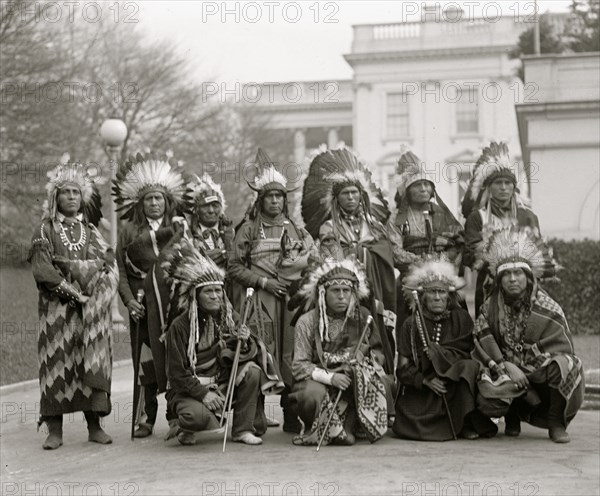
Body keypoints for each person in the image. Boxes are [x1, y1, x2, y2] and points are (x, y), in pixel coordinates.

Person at [29, 157, 118, 449]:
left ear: (83, 198)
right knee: (58, 363)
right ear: (55, 197)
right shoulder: (45, 230)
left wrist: (93, 292)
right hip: (57, 313)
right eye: (65, 192)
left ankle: (95, 425)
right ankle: (54, 430)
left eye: (76, 192)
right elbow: (44, 270)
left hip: (90, 312)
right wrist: (73, 290)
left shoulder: (91, 232)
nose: (71, 197)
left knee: (89, 361)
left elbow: (106, 264)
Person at [162, 238, 284, 445]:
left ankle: (241, 430)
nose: (215, 296)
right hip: (190, 389)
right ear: (195, 295)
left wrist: (245, 342)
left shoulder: (229, 316)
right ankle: (186, 425)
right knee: (196, 417)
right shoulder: (180, 326)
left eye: (218, 290)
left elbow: (247, 351)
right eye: (208, 291)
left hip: (222, 382)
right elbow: (176, 374)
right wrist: (203, 394)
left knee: (252, 371)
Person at [302, 144, 407, 375]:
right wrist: (355, 253)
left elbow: (387, 251)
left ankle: (381, 374)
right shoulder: (329, 226)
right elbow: (329, 256)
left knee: (379, 330)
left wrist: (365, 251)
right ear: (337, 199)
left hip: (376, 289)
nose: (351, 197)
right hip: (346, 291)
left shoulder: (375, 225)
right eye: (345, 194)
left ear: (362, 196)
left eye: (354, 193)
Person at [228, 148, 314, 433]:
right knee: (260, 353)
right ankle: (257, 415)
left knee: (290, 354)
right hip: (259, 303)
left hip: (290, 304)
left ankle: (292, 415)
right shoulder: (249, 229)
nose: (275, 201)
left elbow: (312, 263)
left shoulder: (297, 229)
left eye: (279, 196)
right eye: (270, 197)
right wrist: (264, 282)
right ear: (261, 200)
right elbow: (234, 268)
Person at [472, 227, 584, 443]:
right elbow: (480, 341)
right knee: (488, 401)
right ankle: (512, 413)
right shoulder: (489, 308)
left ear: (529, 277)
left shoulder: (548, 307)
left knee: (568, 365)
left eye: (518, 273)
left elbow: (562, 347)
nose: (513, 279)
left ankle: (555, 422)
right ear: (499, 279)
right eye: (507, 275)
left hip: (538, 370)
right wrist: (505, 365)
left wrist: (529, 368)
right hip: (504, 372)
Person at [113, 152, 190, 437]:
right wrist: (129, 301)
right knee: (145, 364)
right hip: (143, 309)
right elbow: (119, 269)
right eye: (148, 199)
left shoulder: (180, 229)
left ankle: (177, 415)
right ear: (140, 203)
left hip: (174, 308)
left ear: (167, 201)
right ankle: (145, 418)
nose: (154, 203)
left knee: (176, 359)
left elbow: (190, 264)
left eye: (158, 198)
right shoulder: (129, 231)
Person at [392, 259, 497, 441]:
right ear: (423, 296)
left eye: (441, 292)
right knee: (409, 427)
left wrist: (442, 358)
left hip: (454, 387)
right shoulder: (411, 324)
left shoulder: (462, 319)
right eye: (432, 292)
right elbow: (402, 368)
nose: (437, 297)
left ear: (449, 296)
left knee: (468, 368)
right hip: (422, 392)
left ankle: (463, 422)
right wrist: (425, 381)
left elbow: (470, 354)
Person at [290, 258, 389, 446]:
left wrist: (362, 364)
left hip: (352, 379)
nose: (342, 296)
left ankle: (351, 426)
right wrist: (331, 378)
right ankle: (323, 428)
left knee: (382, 381)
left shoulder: (363, 317)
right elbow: (298, 366)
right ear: (322, 293)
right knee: (312, 393)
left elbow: (378, 353)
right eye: (336, 291)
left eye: (347, 291)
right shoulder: (307, 322)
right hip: (318, 382)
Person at [462, 142, 540, 316]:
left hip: (523, 283)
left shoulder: (527, 216)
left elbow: (537, 250)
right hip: (489, 285)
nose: (503, 187)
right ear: (489, 187)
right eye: (498, 183)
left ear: (514, 187)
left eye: (507, 183)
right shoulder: (477, 217)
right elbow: (469, 254)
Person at [393, 150, 464, 326]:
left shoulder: (442, 214)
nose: (424, 189)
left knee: (456, 310)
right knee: (406, 317)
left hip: (442, 274)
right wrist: (421, 262)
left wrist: (439, 262)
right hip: (409, 277)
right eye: (418, 185)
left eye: (427, 184)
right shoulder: (397, 218)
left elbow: (457, 243)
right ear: (408, 191)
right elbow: (395, 250)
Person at [187, 173, 234, 273]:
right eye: (205, 206)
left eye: (215, 205)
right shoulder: (188, 234)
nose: (211, 210)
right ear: (196, 210)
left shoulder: (231, 233)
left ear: (221, 209)